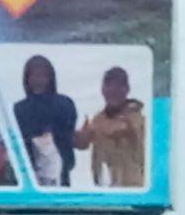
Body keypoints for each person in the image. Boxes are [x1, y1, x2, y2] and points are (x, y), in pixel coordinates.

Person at [75, 66, 148, 188]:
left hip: (131, 189)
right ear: (102, 90)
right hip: (105, 189)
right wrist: (77, 137)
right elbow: (83, 144)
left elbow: (121, 130)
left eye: (119, 86)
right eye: (109, 86)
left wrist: (95, 131)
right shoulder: (98, 119)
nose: (114, 90)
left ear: (127, 89)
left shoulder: (136, 117)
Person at [12, 54, 78, 187]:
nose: (39, 80)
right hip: (31, 176)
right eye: (34, 76)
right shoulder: (19, 109)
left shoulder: (64, 104)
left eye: (43, 75)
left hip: (59, 171)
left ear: (50, 78)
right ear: (27, 79)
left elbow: (70, 133)